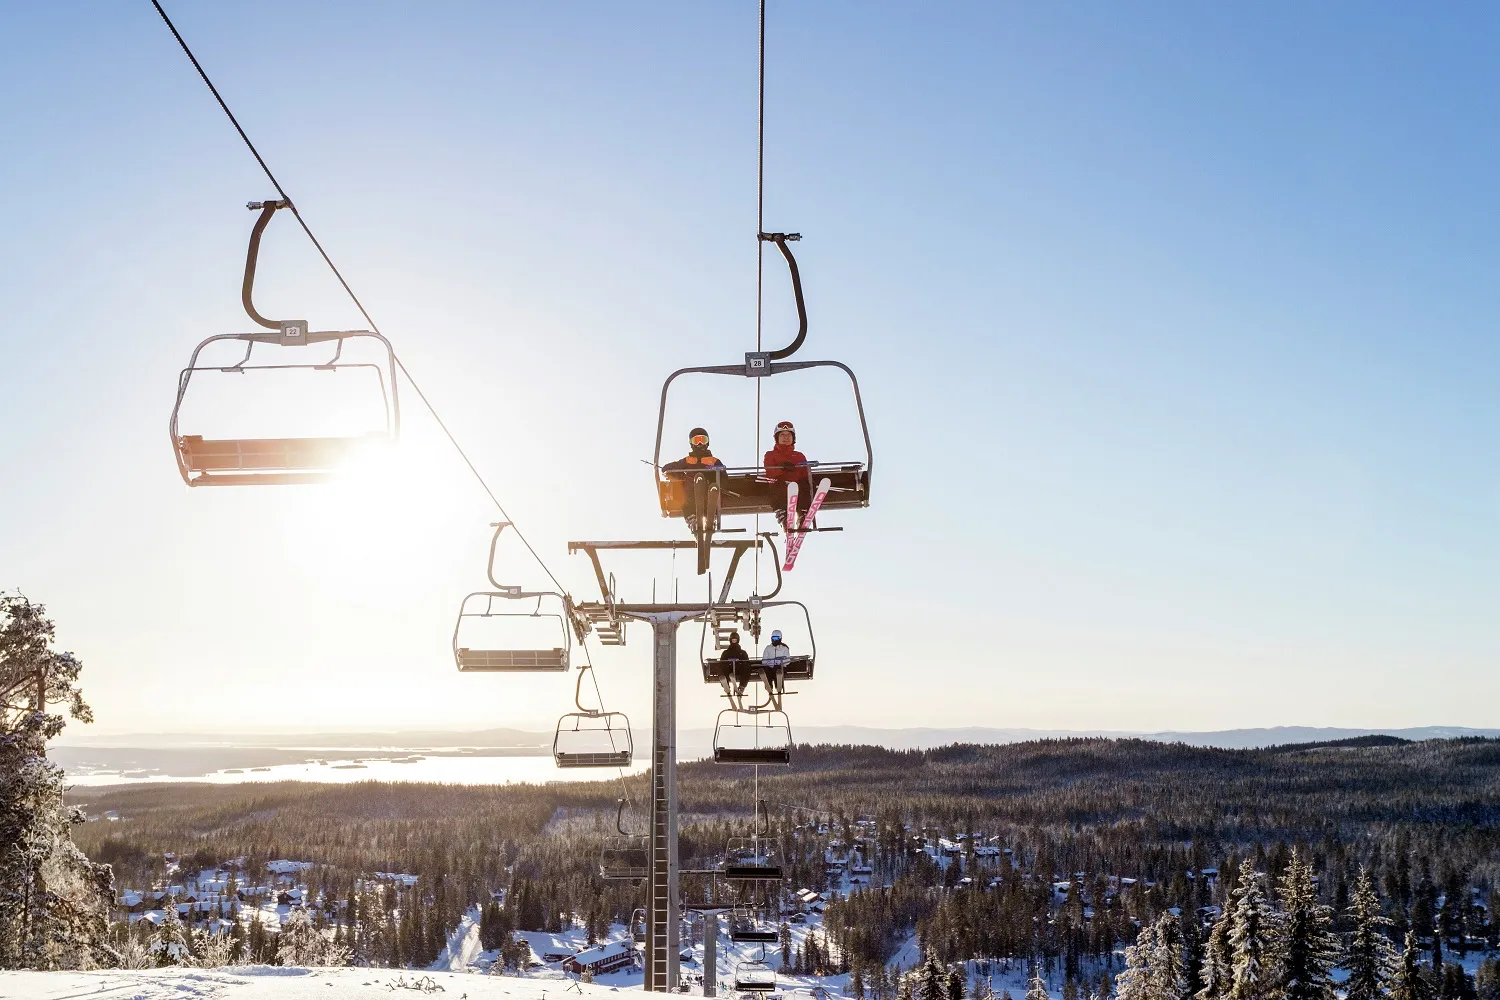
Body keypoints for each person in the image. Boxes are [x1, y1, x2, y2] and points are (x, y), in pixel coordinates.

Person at [662, 427, 723, 531]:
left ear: (707, 443)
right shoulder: (687, 461)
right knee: (685, 500)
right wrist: (679, 475)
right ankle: (692, 520)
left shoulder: (713, 461)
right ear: (691, 444)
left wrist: (712, 473)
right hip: (691, 493)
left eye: (702, 440)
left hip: (708, 492)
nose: (699, 444)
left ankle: (711, 518)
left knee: (711, 491)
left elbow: (723, 476)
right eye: (696, 440)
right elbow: (666, 469)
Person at [763, 420, 811, 528]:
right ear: (777, 438)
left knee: (804, 485)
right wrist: (782, 468)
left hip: (797, 485)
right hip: (780, 485)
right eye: (782, 435)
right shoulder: (770, 455)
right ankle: (783, 516)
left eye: (789, 435)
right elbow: (770, 472)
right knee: (777, 486)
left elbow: (804, 473)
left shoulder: (799, 456)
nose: (786, 437)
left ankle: (802, 514)